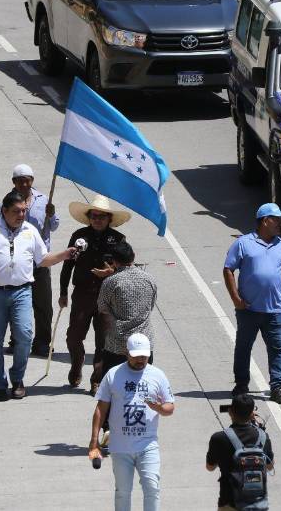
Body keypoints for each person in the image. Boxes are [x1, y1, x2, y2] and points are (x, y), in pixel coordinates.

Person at [0, 191, 75, 401]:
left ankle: (17, 378)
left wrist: (65, 254)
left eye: (24, 211)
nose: (21, 215)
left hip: (22, 292)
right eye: (16, 211)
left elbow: (42, 259)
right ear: (4, 211)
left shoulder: (30, 231)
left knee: (25, 336)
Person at [223, 203, 281, 405]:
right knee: (243, 348)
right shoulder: (243, 243)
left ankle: (277, 388)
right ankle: (241, 385)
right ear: (265, 221)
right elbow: (228, 269)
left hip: (275, 309)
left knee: (277, 349)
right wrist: (236, 299)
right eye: (277, 220)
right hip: (248, 309)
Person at [89, 333, 174, 511]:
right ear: (126, 353)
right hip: (120, 447)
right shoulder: (113, 375)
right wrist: (94, 440)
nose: (141, 360)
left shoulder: (157, 375)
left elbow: (170, 408)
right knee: (122, 491)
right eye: (136, 356)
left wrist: (158, 407)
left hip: (148, 445)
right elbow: (101, 409)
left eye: (144, 356)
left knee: (152, 488)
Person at [60, 194, 130, 394]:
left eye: (102, 216)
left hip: (107, 296)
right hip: (82, 294)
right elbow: (68, 265)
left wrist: (111, 272)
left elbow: (127, 266)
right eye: (94, 216)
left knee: (103, 340)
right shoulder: (79, 236)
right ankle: (77, 363)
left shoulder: (118, 239)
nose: (97, 220)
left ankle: (97, 379)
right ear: (89, 217)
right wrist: (63, 291)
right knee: (73, 336)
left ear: (109, 219)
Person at [0, 164, 60, 357]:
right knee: (16, 303)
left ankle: (42, 342)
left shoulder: (44, 200)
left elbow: (54, 226)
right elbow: (1, 227)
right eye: (20, 181)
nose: (24, 184)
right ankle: (17, 340)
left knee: (43, 305)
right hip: (17, 261)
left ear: (32, 180)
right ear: (14, 182)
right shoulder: (7, 202)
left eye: (28, 180)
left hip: (40, 261)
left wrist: (52, 214)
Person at [206, 394, 274, 511]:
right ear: (252, 414)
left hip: (229, 502)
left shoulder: (219, 438)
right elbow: (270, 466)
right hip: (257, 504)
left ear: (230, 412)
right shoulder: (263, 437)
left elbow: (210, 467)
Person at [98, 241, 157, 375]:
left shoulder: (111, 281)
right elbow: (151, 305)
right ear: (133, 256)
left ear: (114, 261)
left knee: (114, 382)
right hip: (144, 343)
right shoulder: (149, 279)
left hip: (118, 344)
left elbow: (102, 307)